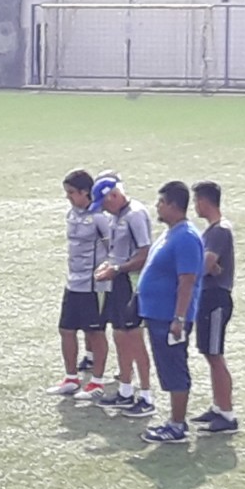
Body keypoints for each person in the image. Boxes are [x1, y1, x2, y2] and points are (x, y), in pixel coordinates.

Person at [138, 182, 204, 444]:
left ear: (174, 206)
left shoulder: (186, 237)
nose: (158, 207)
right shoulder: (171, 234)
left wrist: (179, 318)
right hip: (158, 315)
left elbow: (187, 280)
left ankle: (177, 425)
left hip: (170, 318)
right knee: (167, 367)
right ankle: (174, 421)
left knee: (174, 367)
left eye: (161, 202)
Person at [87, 172, 156, 418]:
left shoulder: (135, 214)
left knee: (134, 339)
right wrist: (108, 266)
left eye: (106, 202)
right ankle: (126, 391)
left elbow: (144, 253)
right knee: (119, 335)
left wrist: (117, 269)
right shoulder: (118, 216)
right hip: (117, 282)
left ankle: (146, 396)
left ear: (115, 195)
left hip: (131, 284)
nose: (104, 208)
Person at [48, 170, 112, 397]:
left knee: (95, 333)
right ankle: (71, 378)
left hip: (94, 286)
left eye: (72, 192)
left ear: (86, 192)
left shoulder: (100, 218)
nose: (68, 197)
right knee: (66, 329)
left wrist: (106, 271)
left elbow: (111, 248)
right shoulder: (71, 214)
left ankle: (97, 382)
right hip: (73, 282)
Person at [190, 181, 238, 434]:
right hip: (209, 298)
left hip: (215, 299)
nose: (195, 205)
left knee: (215, 355)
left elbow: (206, 265)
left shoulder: (219, 230)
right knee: (210, 354)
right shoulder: (212, 231)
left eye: (196, 200)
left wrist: (194, 270)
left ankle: (227, 414)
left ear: (205, 201)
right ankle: (219, 407)